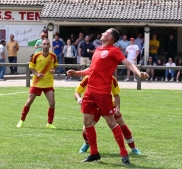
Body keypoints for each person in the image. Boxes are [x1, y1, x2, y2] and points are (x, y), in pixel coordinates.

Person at [67, 28, 148, 165]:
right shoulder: (97, 50)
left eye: (105, 32)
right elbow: (91, 70)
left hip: (103, 93)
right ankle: (94, 153)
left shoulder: (114, 51)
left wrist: (139, 74)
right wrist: (76, 73)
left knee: (112, 123)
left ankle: (124, 152)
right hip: (89, 93)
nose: (102, 33)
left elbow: (129, 63)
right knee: (87, 123)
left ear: (110, 37)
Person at [75, 75, 142, 155]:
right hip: (94, 107)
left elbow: (116, 95)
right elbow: (77, 92)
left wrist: (117, 108)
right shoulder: (88, 78)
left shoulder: (111, 78)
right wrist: (79, 99)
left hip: (108, 105)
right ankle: (87, 143)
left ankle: (133, 148)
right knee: (85, 130)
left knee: (122, 126)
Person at [17, 38, 58, 128]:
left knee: (52, 103)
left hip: (48, 83)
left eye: (47, 44)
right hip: (37, 83)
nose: (46, 46)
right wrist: (37, 74)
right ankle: (21, 120)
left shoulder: (53, 56)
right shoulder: (35, 56)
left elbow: (55, 66)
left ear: (50, 46)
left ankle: (49, 123)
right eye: (44, 44)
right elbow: (31, 67)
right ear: (41, 45)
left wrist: (53, 70)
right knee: (29, 101)